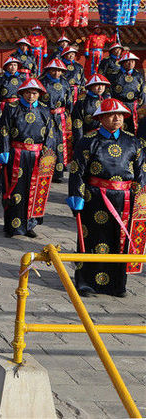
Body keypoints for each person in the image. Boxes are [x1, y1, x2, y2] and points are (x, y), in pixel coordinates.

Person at [67, 98, 145, 298]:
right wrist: (76, 195)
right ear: (101, 118)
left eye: (121, 115)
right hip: (95, 196)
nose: (117, 118)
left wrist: (142, 198)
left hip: (125, 198)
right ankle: (86, 282)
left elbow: (141, 172)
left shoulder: (133, 141)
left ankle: (117, 284)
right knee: (92, 237)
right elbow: (77, 171)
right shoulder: (88, 140)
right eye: (112, 114)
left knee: (119, 240)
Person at [0, 78, 57, 238]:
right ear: (22, 93)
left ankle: (30, 224)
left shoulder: (45, 110)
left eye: (35, 93)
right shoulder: (12, 108)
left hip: (37, 155)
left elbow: (50, 134)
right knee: (15, 189)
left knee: (34, 189)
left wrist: (48, 154)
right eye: (28, 92)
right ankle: (12, 225)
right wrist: (4, 150)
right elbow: (4, 130)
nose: (31, 96)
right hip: (17, 153)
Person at [40, 59, 73, 182]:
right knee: (47, 142)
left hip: (60, 117)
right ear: (49, 70)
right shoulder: (42, 82)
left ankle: (58, 173)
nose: (56, 73)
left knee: (59, 143)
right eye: (54, 70)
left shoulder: (65, 83)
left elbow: (69, 100)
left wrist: (69, 113)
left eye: (59, 70)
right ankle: (45, 170)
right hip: (45, 115)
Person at [110, 51, 145, 136]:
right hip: (119, 106)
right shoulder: (115, 75)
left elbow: (143, 91)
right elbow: (109, 91)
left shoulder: (138, 75)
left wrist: (142, 105)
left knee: (134, 127)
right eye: (128, 61)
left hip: (134, 106)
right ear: (123, 62)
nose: (131, 63)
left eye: (133, 61)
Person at [71, 74, 109, 139]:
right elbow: (77, 123)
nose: (100, 88)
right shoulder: (82, 101)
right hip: (88, 136)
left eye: (103, 85)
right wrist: (80, 140)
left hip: (106, 135)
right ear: (90, 86)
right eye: (97, 85)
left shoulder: (107, 99)